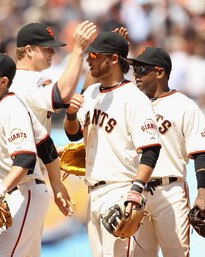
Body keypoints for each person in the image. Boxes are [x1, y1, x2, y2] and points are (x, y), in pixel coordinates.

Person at [63, 32, 161, 257]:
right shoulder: (90, 93)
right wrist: (70, 115)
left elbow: (151, 149)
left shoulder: (135, 98)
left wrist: (135, 191)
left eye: (95, 55)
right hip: (93, 191)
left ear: (114, 59)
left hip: (121, 189)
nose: (89, 60)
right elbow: (74, 135)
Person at [0, 52, 74, 257]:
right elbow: (46, 146)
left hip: (22, 196)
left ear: (3, 81)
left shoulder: (11, 109)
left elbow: (26, 158)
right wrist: (57, 185)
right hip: (14, 196)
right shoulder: (3, 106)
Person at [128, 46, 205, 257]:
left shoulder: (184, 106)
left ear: (159, 72)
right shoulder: (130, 104)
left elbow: (201, 151)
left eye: (141, 69)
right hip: (136, 191)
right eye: (134, 69)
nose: (135, 75)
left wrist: (203, 192)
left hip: (170, 190)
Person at [10, 21, 96, 134]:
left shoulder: (13, 78)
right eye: (47, 48)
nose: (53, 52)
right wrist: (78, 49)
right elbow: (62, 96)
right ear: (29, 50)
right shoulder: (28, 79)